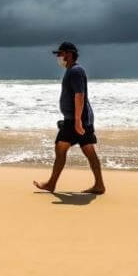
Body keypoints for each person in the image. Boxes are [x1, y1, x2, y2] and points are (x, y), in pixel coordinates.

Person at [33, 41, 106, 195]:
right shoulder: (71, 70)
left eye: (60, 54)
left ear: (69, 54)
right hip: (76, 119)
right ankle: (99, 185)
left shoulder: (75, 71)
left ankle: (51, 184)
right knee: (86, 150)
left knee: (61, 147)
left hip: (76, 120)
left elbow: (79, 95)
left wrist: (78, 121)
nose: (58, 57)